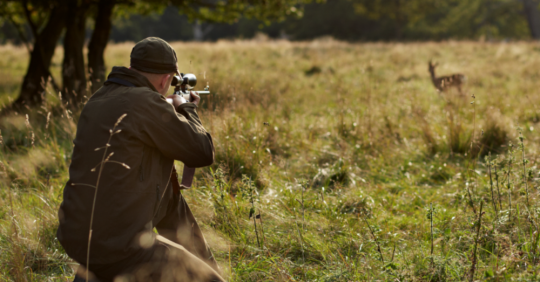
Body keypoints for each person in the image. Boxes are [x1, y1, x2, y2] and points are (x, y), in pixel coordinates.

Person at [57, 37, 225, 282]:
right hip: (120, 245)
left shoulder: (98, 99)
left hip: (78, 237)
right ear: (167, 79)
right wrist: (187, 109)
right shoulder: (145, 102)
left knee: (168, 201)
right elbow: (201, 152)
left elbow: (168, 201)